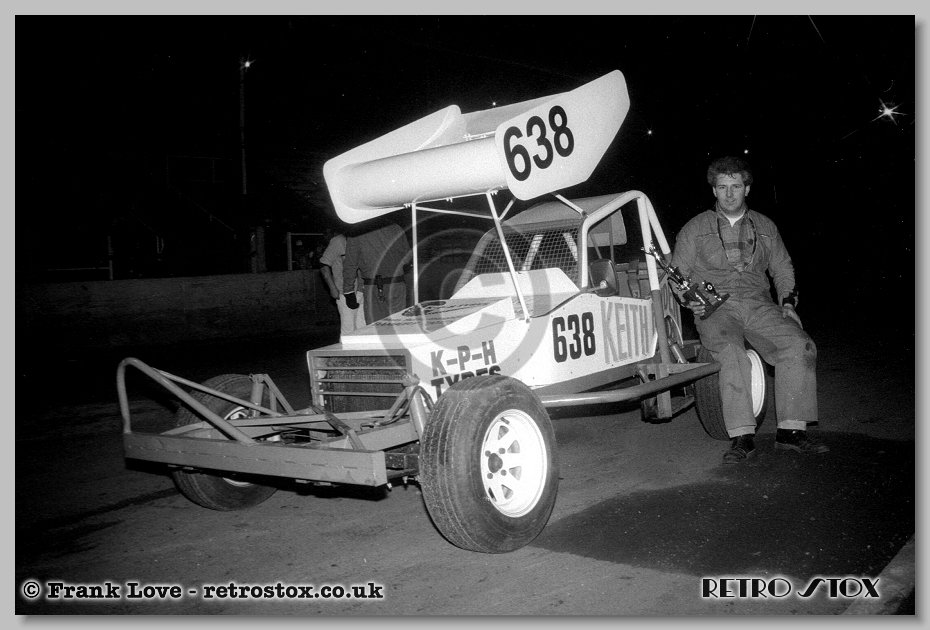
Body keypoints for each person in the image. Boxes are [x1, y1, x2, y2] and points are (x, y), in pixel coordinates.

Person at [671, 156, 827, 464]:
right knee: (731, 351)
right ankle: (742, 435)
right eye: (722, 187)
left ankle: (791, 432)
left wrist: (787, 303)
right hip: (716, 306)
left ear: (747, 188)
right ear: (714, 191)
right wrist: (688, 299)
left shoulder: (766, 227)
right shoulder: (695, 228)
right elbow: (678, 273)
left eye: (736, 186)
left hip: (758, 303)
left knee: (800, 345)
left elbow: (782, 267)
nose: (729, 194)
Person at [342, 221, 412, 325]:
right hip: (397, 285)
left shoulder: (357, 232)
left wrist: (348, 291)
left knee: (376, 328)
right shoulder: (395, 227)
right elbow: (408, 256)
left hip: (373, 288)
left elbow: (350, 264)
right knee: (398, 326)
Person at [319, 232, 365, 339]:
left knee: (363, 328)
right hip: (344, 292)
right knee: (348, 330)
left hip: (361, 290)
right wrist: (332, 288)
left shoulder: (361, 238)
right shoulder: (338, 241)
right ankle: (345, 350)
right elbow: (324, 265)